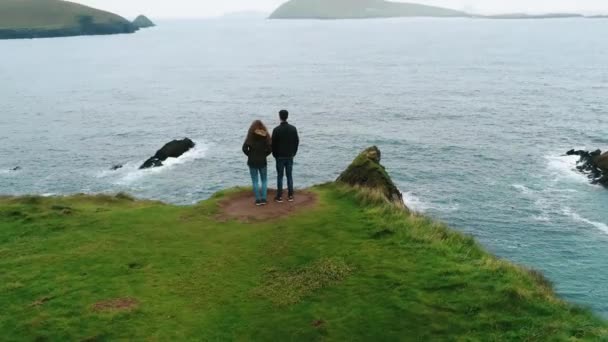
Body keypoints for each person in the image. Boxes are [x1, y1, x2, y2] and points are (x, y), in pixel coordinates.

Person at [272, 109, 299, 203]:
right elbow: (296, 142)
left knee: (280, 176)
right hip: (289, 156)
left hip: (279, 156)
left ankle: (279, 197)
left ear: (280, 117)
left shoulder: (276, 130)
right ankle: (290, 195)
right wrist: (294, 152)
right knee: (289, 175)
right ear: (287, 116)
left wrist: (275, 155)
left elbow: (273, 144)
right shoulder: (293, 128)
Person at [242, 120, 272, 206]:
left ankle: (258, 200)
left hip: (252, 161)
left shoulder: (250, 136)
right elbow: (270, 149)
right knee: (264, 180)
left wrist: (250, 155)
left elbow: (244, 148)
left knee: (255, 181)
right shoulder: (265, 135)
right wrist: (264, 155)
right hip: (262, 161)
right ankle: (264, 199)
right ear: (262, 127)